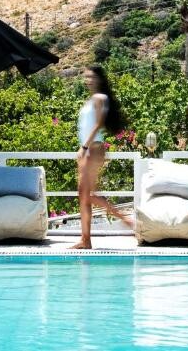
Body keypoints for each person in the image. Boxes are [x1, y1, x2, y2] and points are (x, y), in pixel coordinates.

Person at [71, 65, 133, 249]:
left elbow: (98, 124)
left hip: (93, 149)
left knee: (86, 194)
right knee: (84, 195)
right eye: (86, 77)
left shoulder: (100, 98)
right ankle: (85, 240)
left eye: (92, 77)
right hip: (87, 150)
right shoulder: (91, 100)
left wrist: (84, 146)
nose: (88, 80)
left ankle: (124, 218)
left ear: (99, 79)